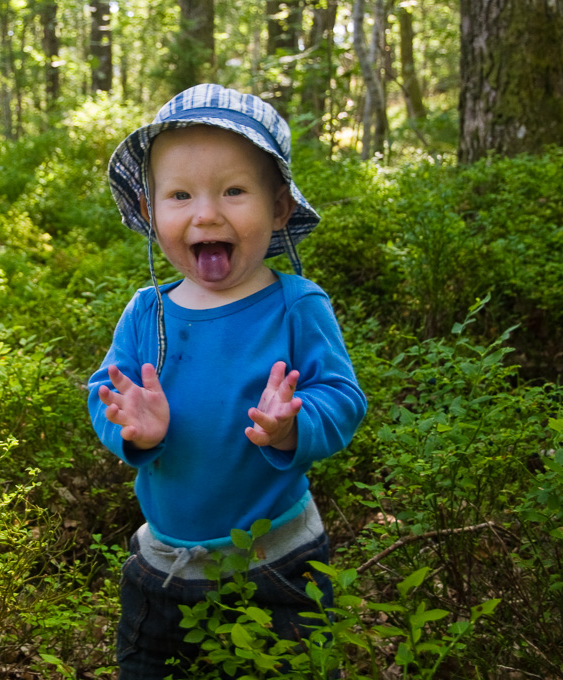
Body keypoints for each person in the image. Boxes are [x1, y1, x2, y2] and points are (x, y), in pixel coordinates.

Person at [87, 84, 367, 679]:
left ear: (280, 207)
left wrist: (294, 425)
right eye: (180, 195)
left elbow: (342, 397)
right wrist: (132, 429)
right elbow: (102, 393)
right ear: (149, 208)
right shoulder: (148, 312)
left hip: (279, 561)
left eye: (235, 191)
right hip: (164, 562)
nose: (206, 213)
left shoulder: (296, 304)